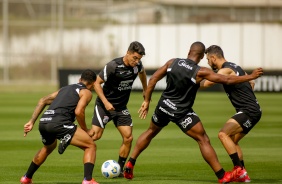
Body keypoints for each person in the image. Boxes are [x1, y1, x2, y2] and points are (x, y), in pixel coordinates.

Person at [123, 41, 263, 183]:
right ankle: (222, 176)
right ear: (202, 56)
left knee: (150, 131)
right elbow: (226, 79)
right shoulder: (200, 71)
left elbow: (152, 79)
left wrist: (147, 101)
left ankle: (130, 164)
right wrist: (250, 77)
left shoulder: (173, 62)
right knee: (203, 139)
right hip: (182, 112)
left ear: (189, 51)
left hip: (163, 106)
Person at [20, 69, 99, 184]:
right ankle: (88, 180)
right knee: (90, 146)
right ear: (92, 84)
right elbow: (78, 112)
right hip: (60, 123)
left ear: (80, 79)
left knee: (48, 148)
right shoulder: (86, 92)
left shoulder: (65, 89)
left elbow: (43, 100)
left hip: (44, 121)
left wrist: (31, 121)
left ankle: (26, 178)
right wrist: (85, 129)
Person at [201, 45, 262, 182]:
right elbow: (251, 81)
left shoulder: (225, 69)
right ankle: (243, 174)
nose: (208, 62)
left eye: (207, 60)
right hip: (253, 110)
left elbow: (209, 83)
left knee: (223, 134)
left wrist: (191, 83)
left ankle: (238, 169)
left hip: (248, 111)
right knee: (232, 141)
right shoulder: (236, 66)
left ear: (213, 58)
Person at [89, 41, 148, 176]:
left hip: (121, 108)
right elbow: (96, 84)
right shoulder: (113, 66)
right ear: (127, 53)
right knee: (95, 135)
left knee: (128, 138)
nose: (137, 61)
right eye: (135, 58)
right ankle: (70, 137)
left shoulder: (137, 65)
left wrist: (145, 90)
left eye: (139, 59)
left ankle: (120, 169)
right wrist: (105, 102)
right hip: (104, 106)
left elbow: (143, 73)